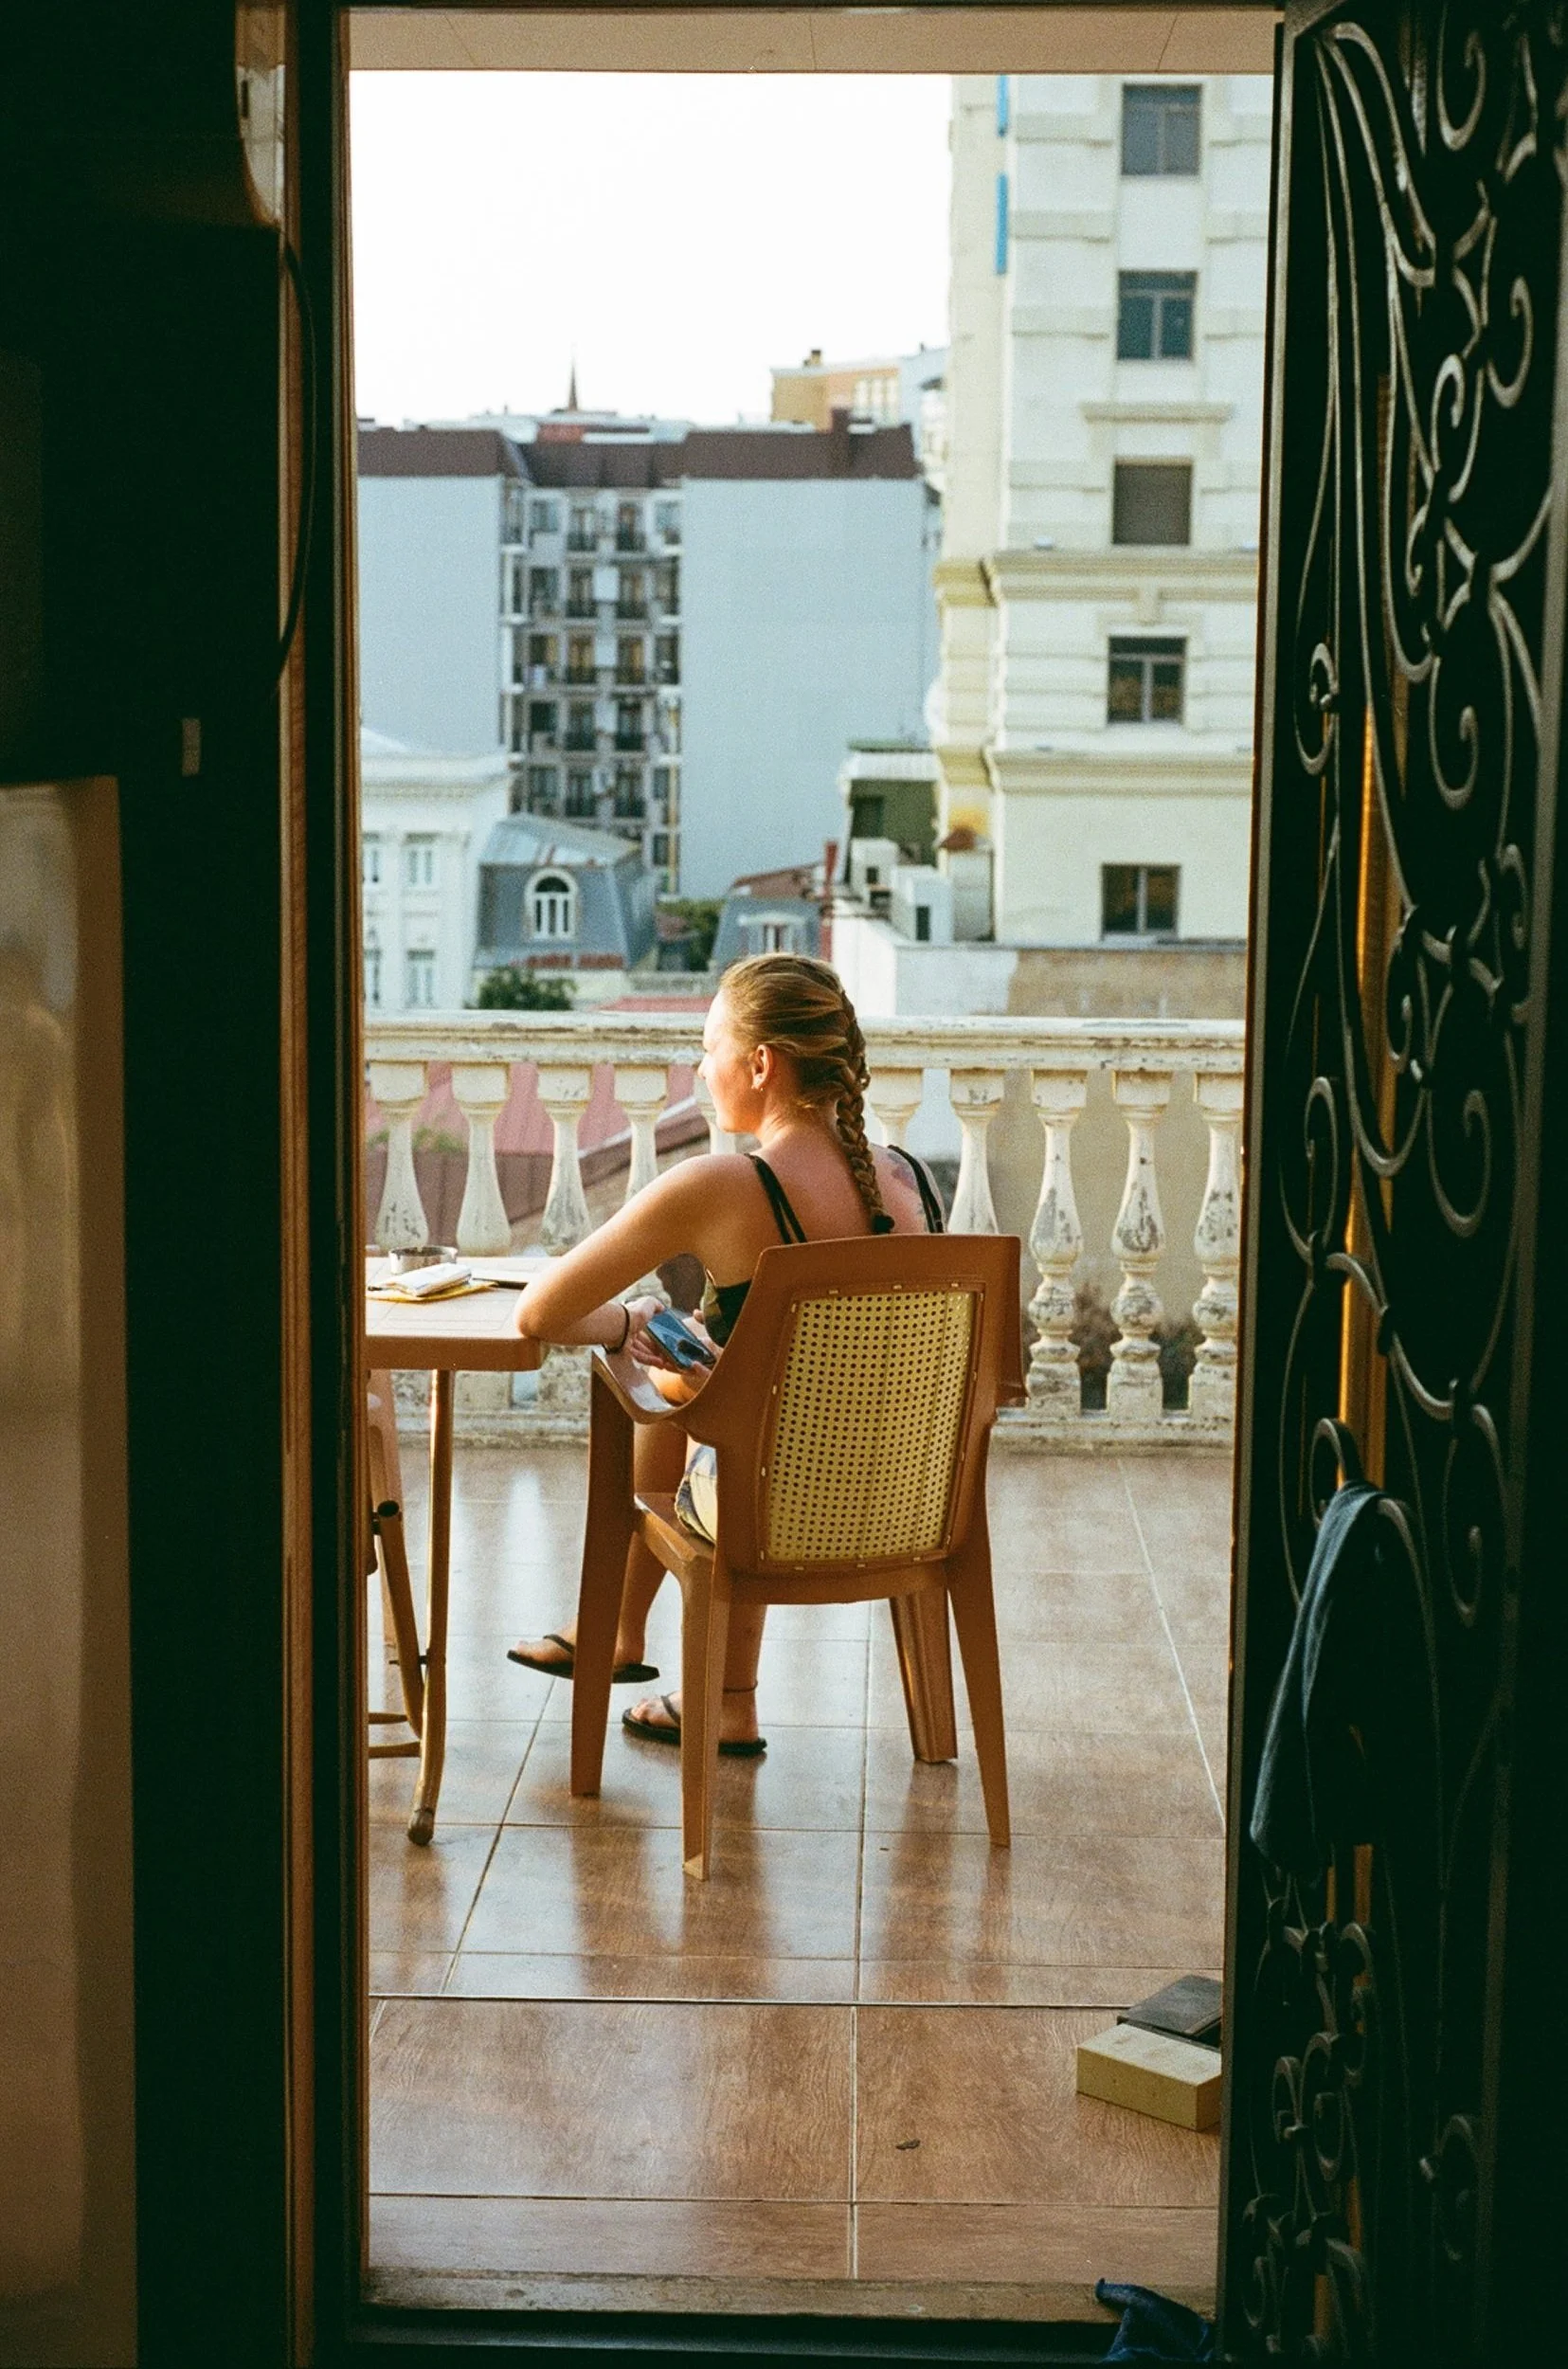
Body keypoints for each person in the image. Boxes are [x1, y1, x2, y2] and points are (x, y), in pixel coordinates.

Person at [507, 951, 945, 1754]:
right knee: (697, 1389)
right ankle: (704, 1688)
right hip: (909, 1504)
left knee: (654, 1386)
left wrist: (630, 1322)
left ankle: (625, 1635)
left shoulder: (720, 1187)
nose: (701, 1069)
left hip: (777, 1509)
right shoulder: (911, 1180)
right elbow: (845, 1379)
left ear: (761, 1063)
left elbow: (540, 1312)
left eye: (709, 1048)